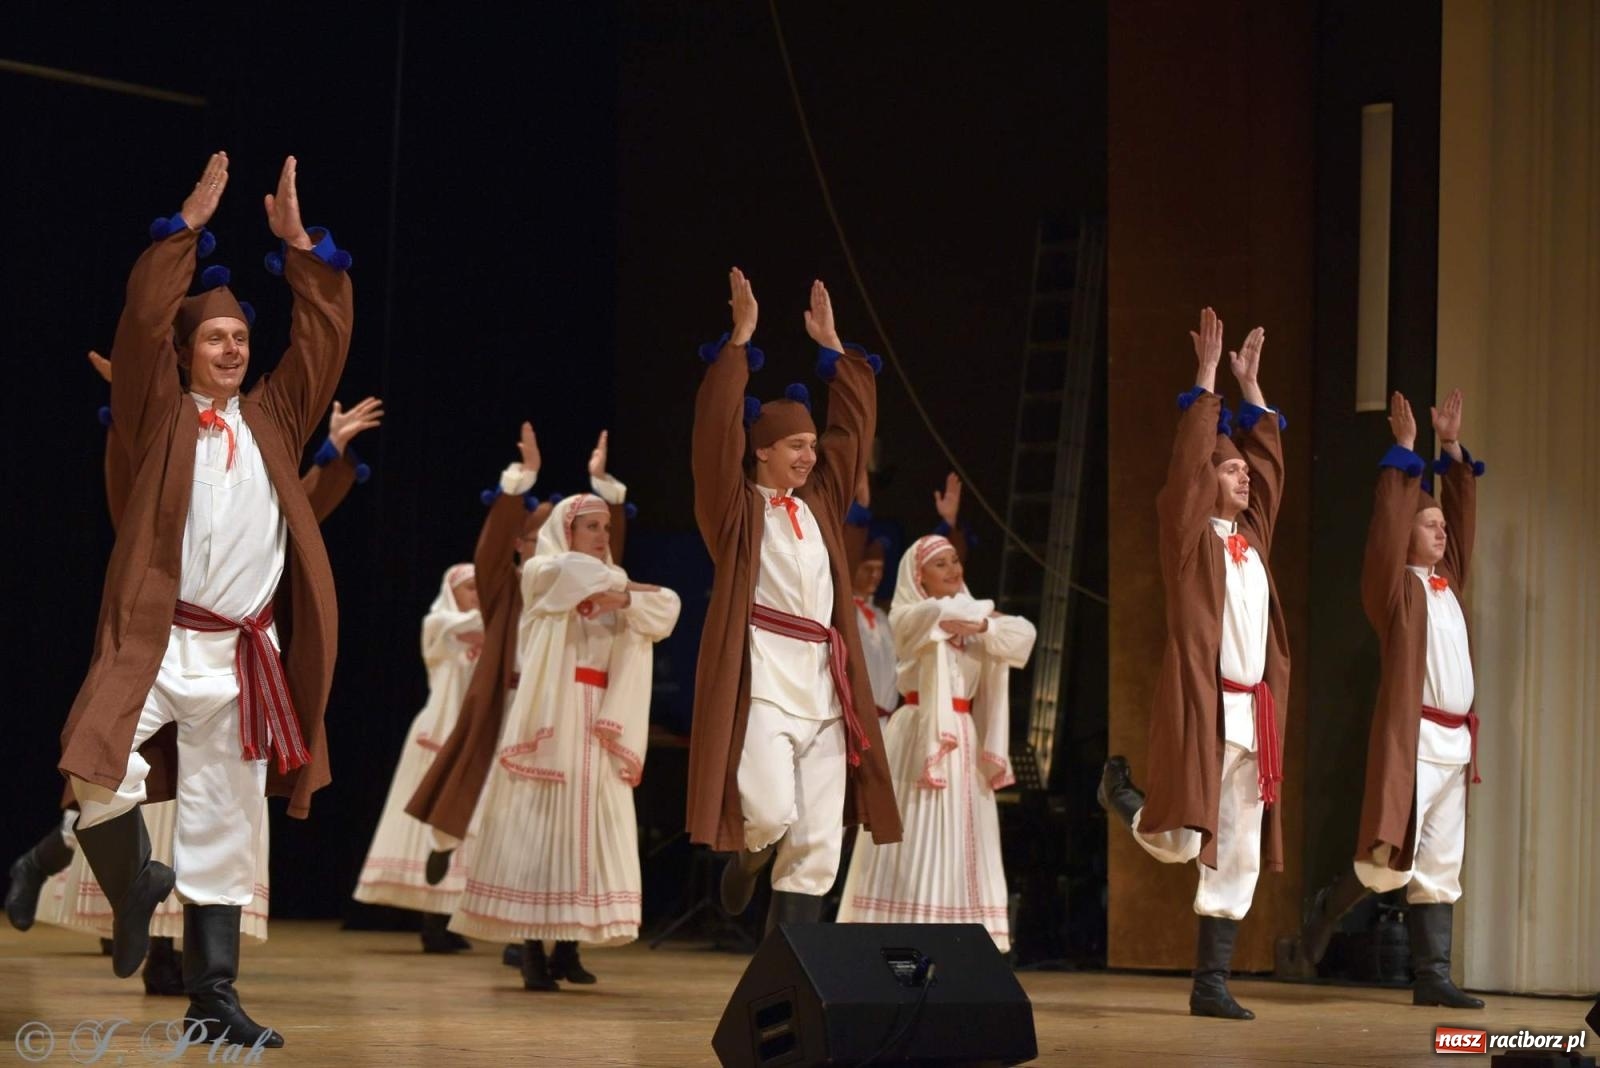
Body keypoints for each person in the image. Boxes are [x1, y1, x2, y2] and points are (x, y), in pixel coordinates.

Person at [56, 152, 353, 1048]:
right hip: (158, 640)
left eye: (239, 338)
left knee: (228, 822)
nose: (230, 349)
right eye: (213, 338)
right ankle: (137, 882)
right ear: (187, 353)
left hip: (241, 655)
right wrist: (183, 233)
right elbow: (144, 319)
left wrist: (301, 248)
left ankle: (213, 995)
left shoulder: (276, 416)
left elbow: (325, 341)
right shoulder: (158, 414)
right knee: (90, 766)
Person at [687, 269, 902, 933]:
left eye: (813, 445)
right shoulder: (736, 511)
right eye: (797, 447)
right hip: (765, 679)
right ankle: (750, 858)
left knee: (816, 843)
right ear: (761, 453)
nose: (812, 456)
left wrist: (836, 349)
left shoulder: (821, 505)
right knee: (770, 811)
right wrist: (740, 343)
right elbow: (712, 435)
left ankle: (790, 974)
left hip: (824, 683)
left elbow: (853, 431)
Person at [1096, 308, 1289, 1020]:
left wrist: (1253, 391)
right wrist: (1207, 383)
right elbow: (1185, 475)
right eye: (1230, 468)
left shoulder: (1252, 541)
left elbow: (1271, 470)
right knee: (1180, 840)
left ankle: (1211, 985)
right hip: (1208, 708)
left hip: (1253, 712)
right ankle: (1121, 799)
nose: (1244, 478)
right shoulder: (1191, 537)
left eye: (1243, 469)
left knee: (1235, 847)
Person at [1295, 390, 1485, 1010]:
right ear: (1408, 535)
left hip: (1456, 741)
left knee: (1441, 861)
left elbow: (1460, 514)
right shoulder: (1395, 590)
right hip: (1417, 738)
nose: (1441, 533)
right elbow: (1386, 529)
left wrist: (1450, 450)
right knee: (1389, 864)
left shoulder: (1446, 581)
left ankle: (1433, 978)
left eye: (1441, 527)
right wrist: (1404, 453)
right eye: (1429, 526)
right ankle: (1328, 905)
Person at [447, 483, 679, 990]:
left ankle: (568, 948)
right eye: (590, 526)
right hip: (555, 713)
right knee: (544, 825)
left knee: (592, 828)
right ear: (566, 531)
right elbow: (584, 580)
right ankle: (531, 949)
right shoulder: (542, 571)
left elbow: (669, 607)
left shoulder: (611, 579)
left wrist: (620, 595)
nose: (601, 535)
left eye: (606, 527)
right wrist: (624, 594)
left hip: (602, 719)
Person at [837, 524, 1035, 951]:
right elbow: (938, 617)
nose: (951, 568)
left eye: (955, 561)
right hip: (919, 731)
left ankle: (957, 932)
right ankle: (901, 926)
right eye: (939, 564)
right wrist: (984, 619)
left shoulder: (972, 616)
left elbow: (1024, 635)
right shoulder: (909, 615)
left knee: (962, 834)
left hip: (962, 736)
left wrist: (981, 625)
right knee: (916, 826)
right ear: (918, 576)